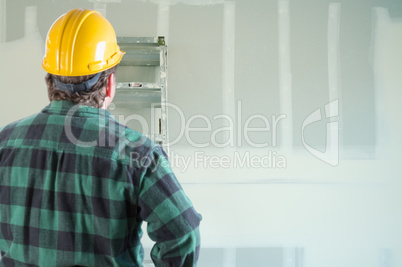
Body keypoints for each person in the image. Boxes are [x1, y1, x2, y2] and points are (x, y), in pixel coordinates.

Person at [0, 8, 201, 267]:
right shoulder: (138, 154)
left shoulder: (5, 144)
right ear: (109, 84)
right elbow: (183, 235)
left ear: (49, 81)